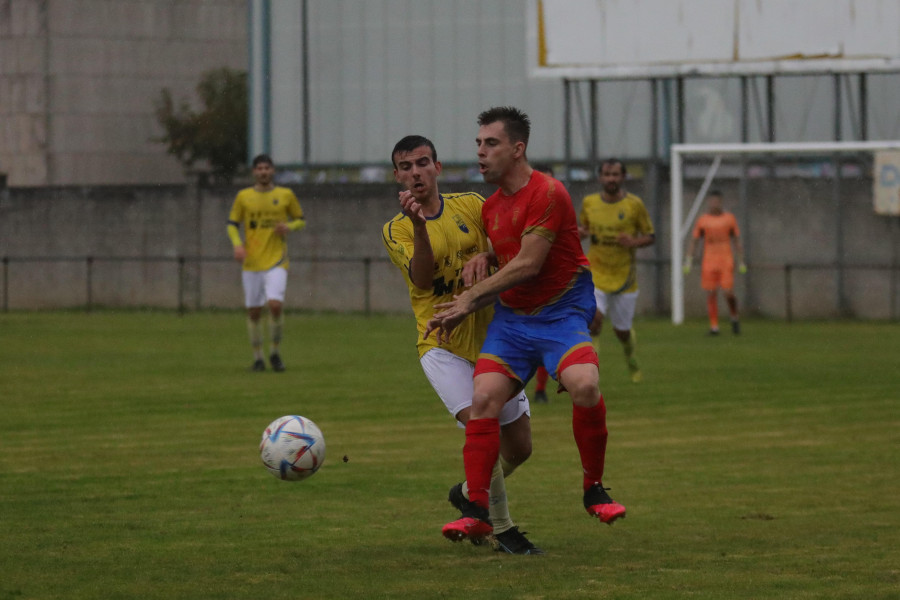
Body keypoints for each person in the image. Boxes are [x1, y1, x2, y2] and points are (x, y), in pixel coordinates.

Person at [426, 107, 626, 544]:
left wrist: (470, 299)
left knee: (585, 385)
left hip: (560, 318)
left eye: (490, 143)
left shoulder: (549, 193)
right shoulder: (492, 207)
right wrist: (485, 257)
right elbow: (509, 250)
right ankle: (477, 510)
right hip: (513, 324)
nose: (480, 152)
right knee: (483, 400)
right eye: (478, 143)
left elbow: (531, 263)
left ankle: (593, 488)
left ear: (518, 149)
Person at [381, 135, 541, 555]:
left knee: (520, 448)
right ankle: (502, 530)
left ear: (438, 167)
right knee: (480, 425)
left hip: (492, 338)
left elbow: (506, 240)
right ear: (396, 176)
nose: (415, 172)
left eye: (421, 163)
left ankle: (471, 490)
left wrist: (486, 255)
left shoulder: (471, 203)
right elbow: (421, 279)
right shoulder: (396, 227)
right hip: (441, 344)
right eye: (405, 166)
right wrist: (419, 226)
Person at [578, 159, 655, 383]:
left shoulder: (634, 205)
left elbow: (650, 237)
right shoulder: (589, 203)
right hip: (596, 274)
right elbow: (584, 228)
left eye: (615, 175)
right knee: (594, 321)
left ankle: (631, 357)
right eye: (607, 174)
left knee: (622, 332)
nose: (611, 179)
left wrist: (633, 241)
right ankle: (591, 372)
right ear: (600, 178)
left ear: (623, 177)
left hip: (624, 278)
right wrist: (581, 233)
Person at [226, 154, 305, 372]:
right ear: (254, 172)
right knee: (254, 312)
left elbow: (301, 219)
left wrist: (289, 227)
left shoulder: (285, 195)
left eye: (266, 168)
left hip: (277, 260)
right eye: (259, 168)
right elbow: (232, 224)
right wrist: (237, 244)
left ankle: (275, 353)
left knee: (275, 305)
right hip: (252, 262)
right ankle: (258, 358)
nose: (263, 172)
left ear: (272, 171)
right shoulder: (244, 197)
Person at [683, 190, 746, 335]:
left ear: (721, 202)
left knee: (728, 292)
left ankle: (734, 317)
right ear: (708, 202)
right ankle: (714, 327)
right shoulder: (703, 220)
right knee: (711, 292)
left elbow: (736, 240)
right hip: (709, 260)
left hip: (726, 259)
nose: (714, 204)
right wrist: (688, 260)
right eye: (712, 201)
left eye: (717, 201)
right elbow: (695, 240)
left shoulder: (729, 218)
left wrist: (741, 260)